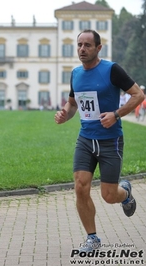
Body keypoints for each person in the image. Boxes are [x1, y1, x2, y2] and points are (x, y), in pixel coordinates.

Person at [54, 30, 144, 252]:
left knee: (109, 196)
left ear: (98, 48)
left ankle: (125, 193)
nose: (82, 49)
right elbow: (73, 103)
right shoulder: (75, 73)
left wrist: (116, 114)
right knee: (80, 187)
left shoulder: (111, 69)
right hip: (85, 139)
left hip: (110, 140)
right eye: (79, 45)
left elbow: (138, 95)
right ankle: (92, 238)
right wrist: (65, 113)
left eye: (87, 45)